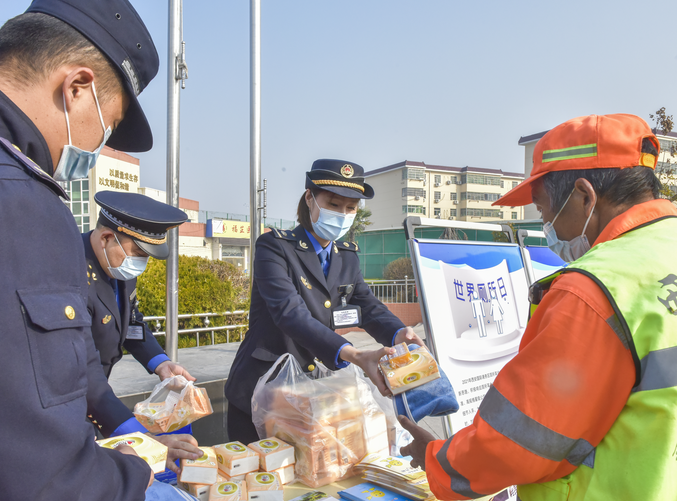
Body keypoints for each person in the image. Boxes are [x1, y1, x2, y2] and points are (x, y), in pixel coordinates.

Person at [0, 0, 176, 499]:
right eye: (106, 127)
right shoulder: (9, 197)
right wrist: (130, 475)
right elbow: (34, 478)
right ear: (76, 87)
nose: (98, 147)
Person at [400, 114, 677, 500]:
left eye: (544, 210)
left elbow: (521, 439)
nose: (545, 225)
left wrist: (436, 460)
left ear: (584, 196)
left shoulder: (593, 291)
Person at [224, 159, 425, 444]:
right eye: (333, 204)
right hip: (262, 389)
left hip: (312, 393)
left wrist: (398, 333)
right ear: (309, 197)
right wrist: (354, 355)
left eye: (350, 208)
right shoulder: (275, 247)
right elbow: (289, 313)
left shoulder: (347, 255)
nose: (342, 214)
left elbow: (366, 303)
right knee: (261, 479)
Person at [83, 190, 198, 440]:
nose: (140, 263)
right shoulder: (68, 271)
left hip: (94, 400)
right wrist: (139, 437)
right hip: (70, 402)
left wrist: (160, 363)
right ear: (106, 238)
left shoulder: (117, 265)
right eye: (138, 253)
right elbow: (79, 367)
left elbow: (130, 321)